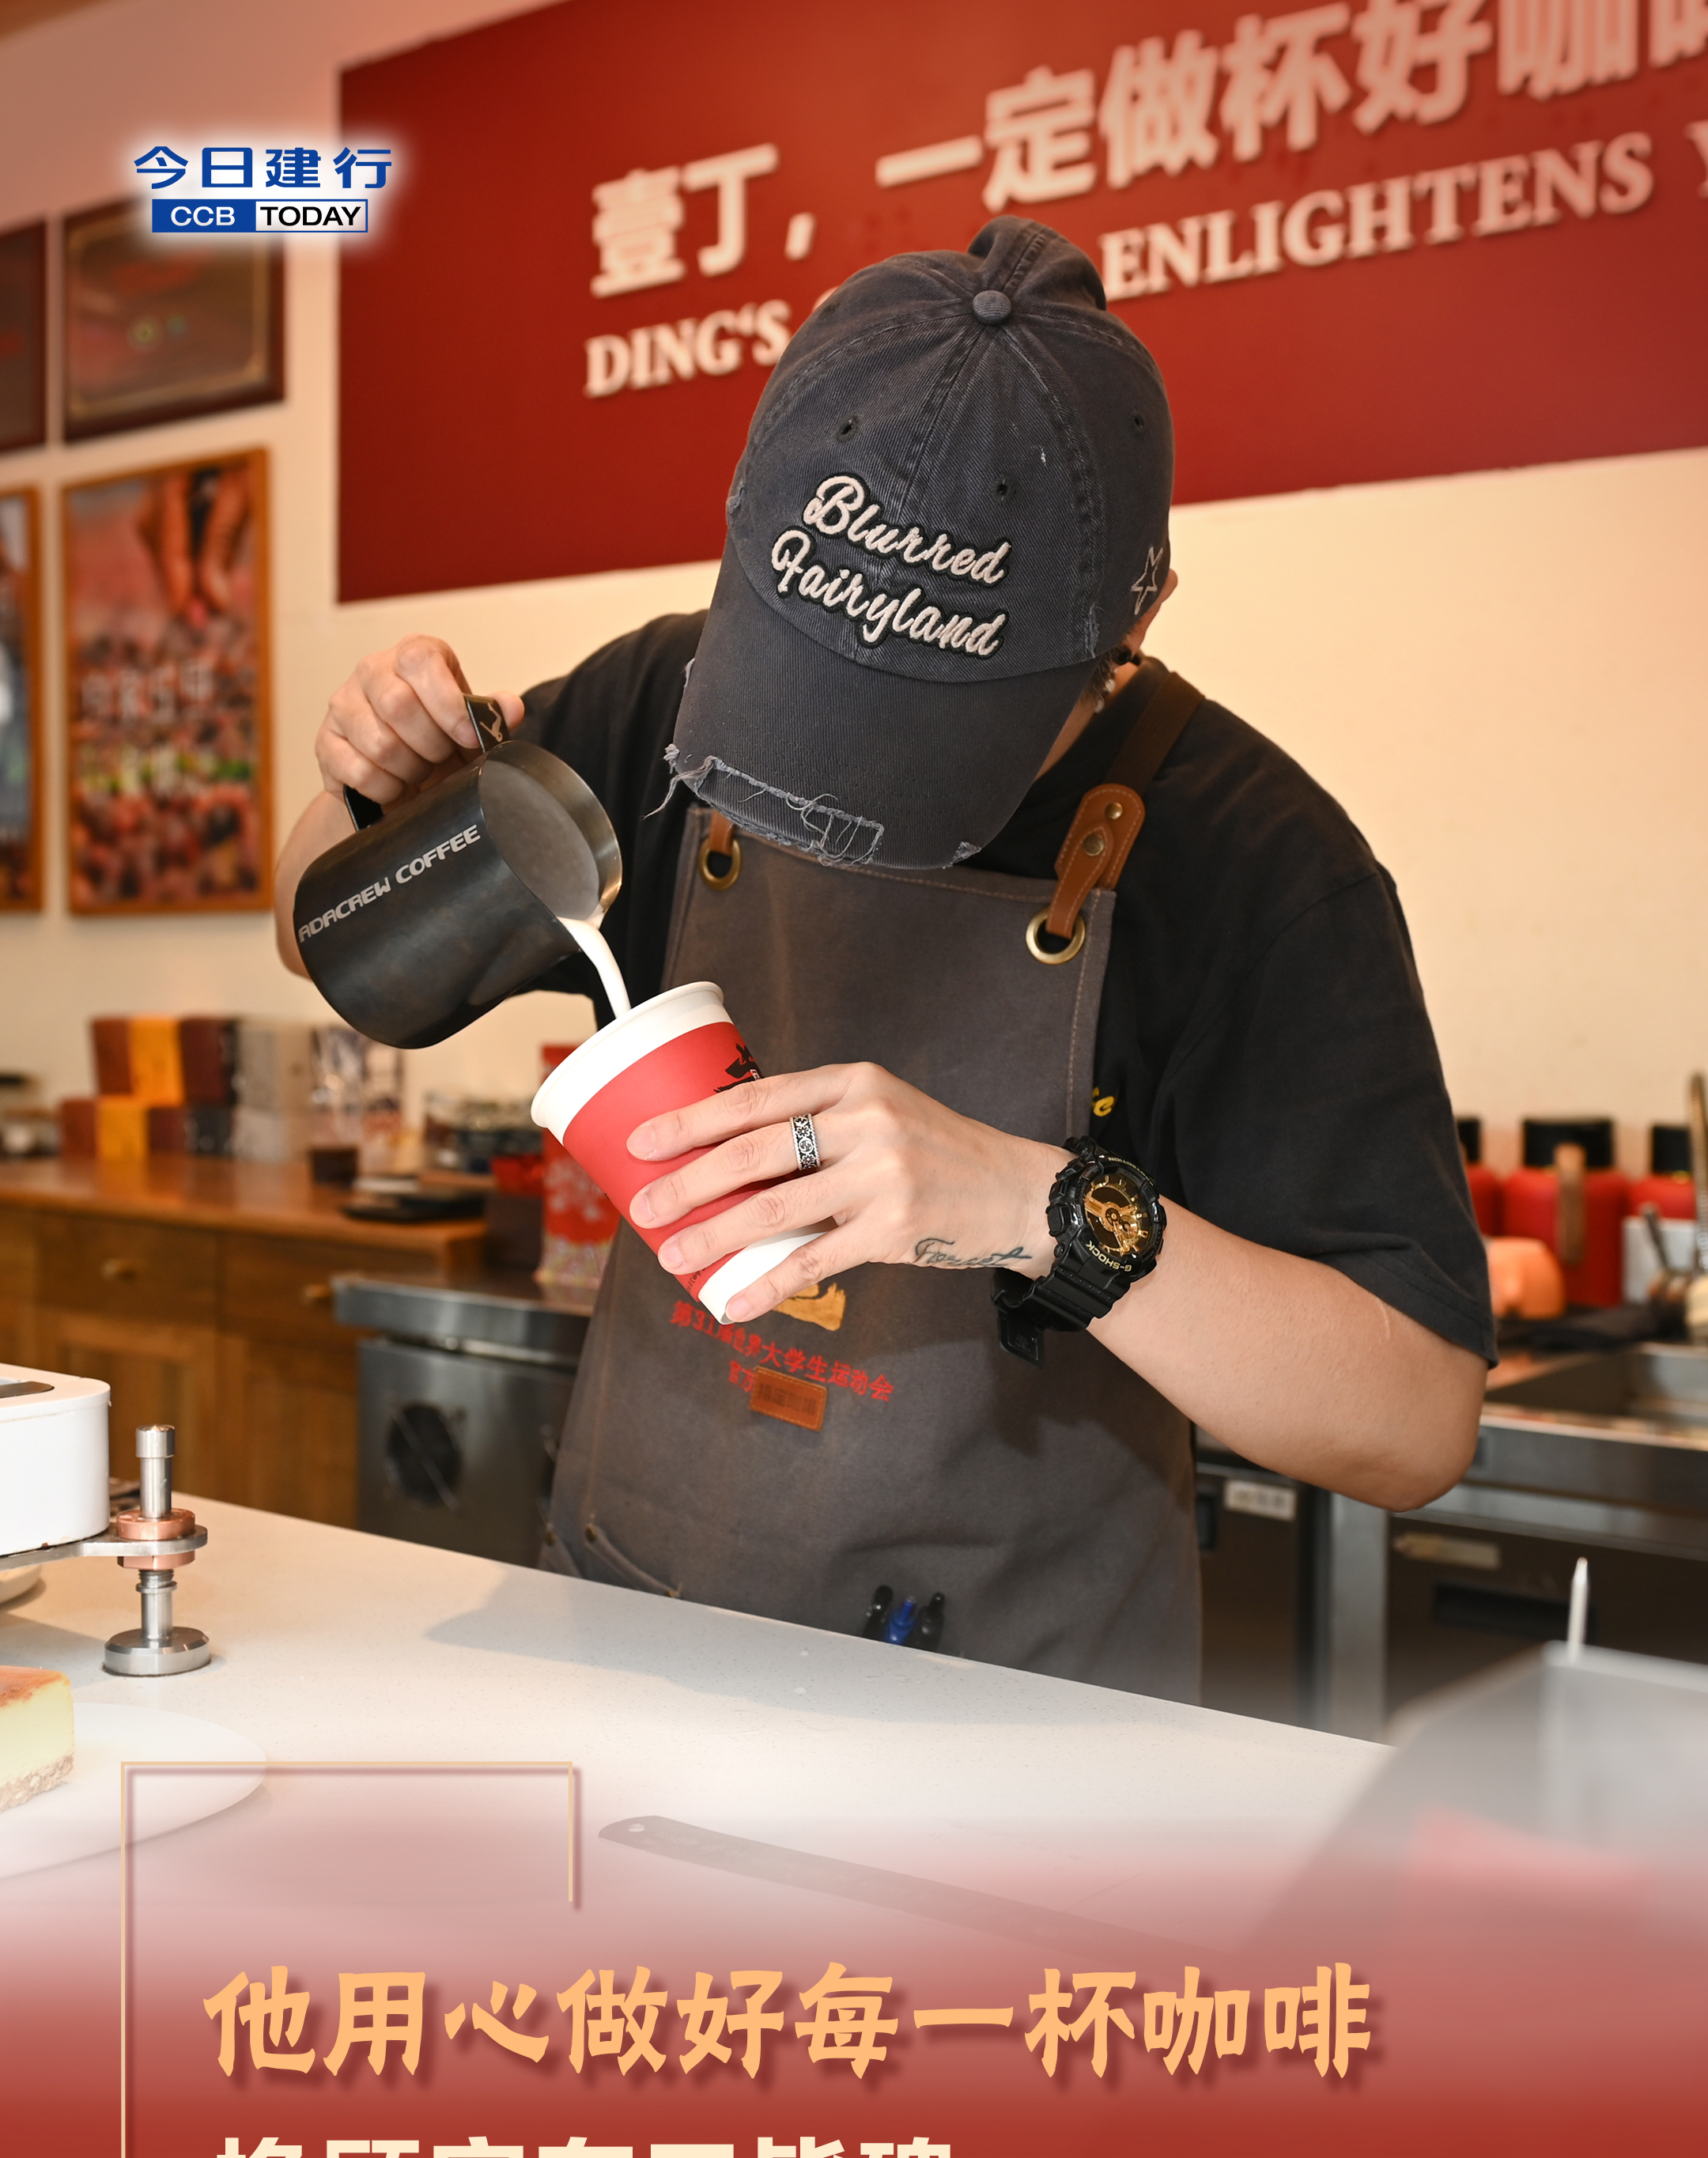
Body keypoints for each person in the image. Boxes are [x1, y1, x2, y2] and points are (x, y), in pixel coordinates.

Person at [275, 218, 1491, 1698]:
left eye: (925, 733)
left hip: (1005, 1735)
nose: (842, 793)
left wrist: (1038, 1209)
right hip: (634, 1650)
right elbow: (318, 940)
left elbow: (1416, 1425)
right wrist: (367, 794)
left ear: (1133, 621)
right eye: (808, 697)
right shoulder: (664, 696)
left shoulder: (1258, 864)